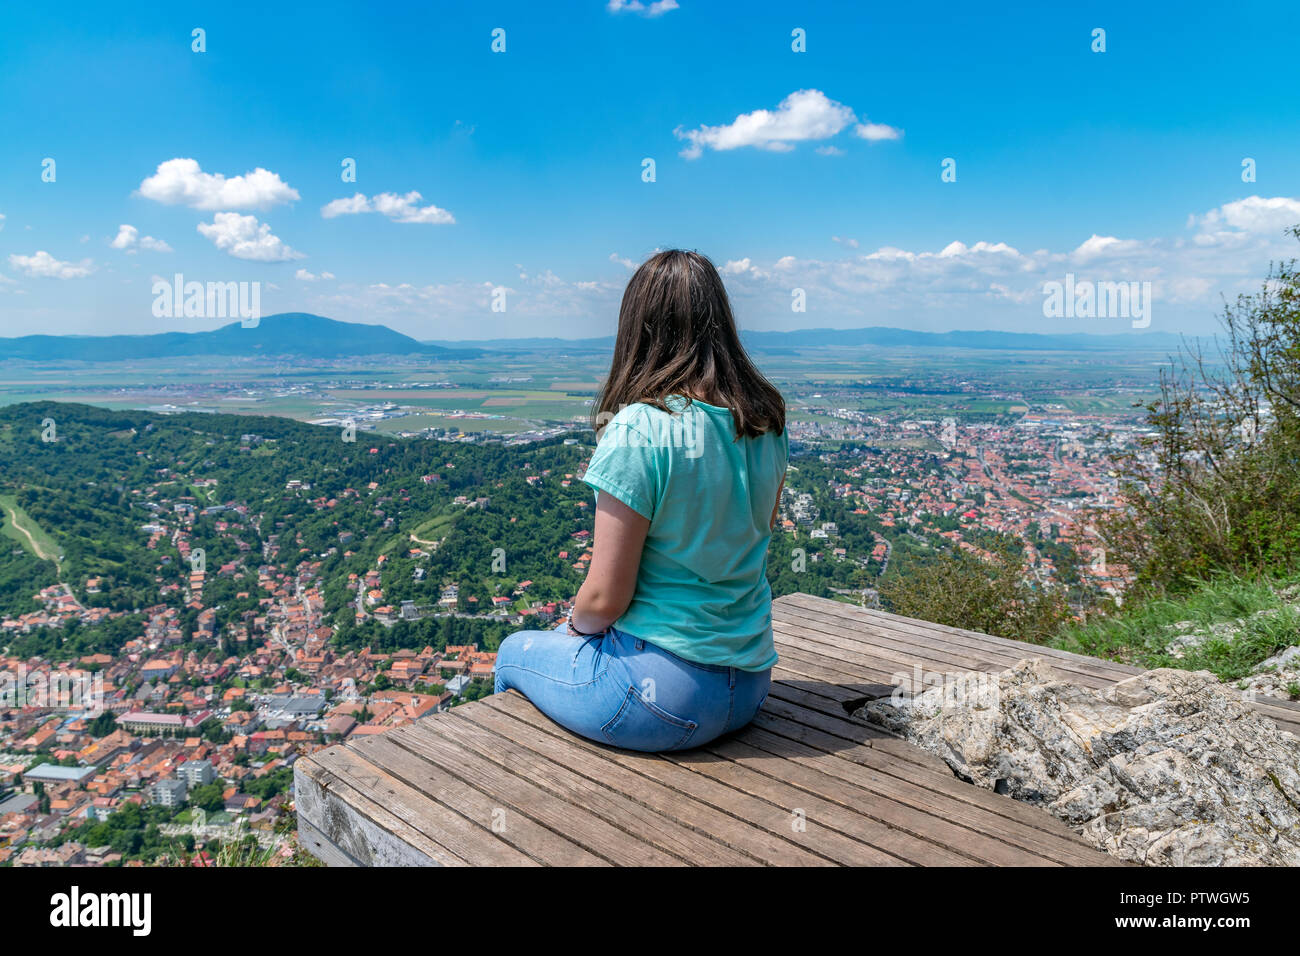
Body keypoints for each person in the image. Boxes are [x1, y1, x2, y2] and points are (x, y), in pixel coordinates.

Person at [493, 249, 788, 752]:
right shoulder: (764, 419)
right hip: (750, 688)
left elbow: (605, 599)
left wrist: (572, 625)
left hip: (661, 698)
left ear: (639, 326)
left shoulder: (639, 427)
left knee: (512, 653)